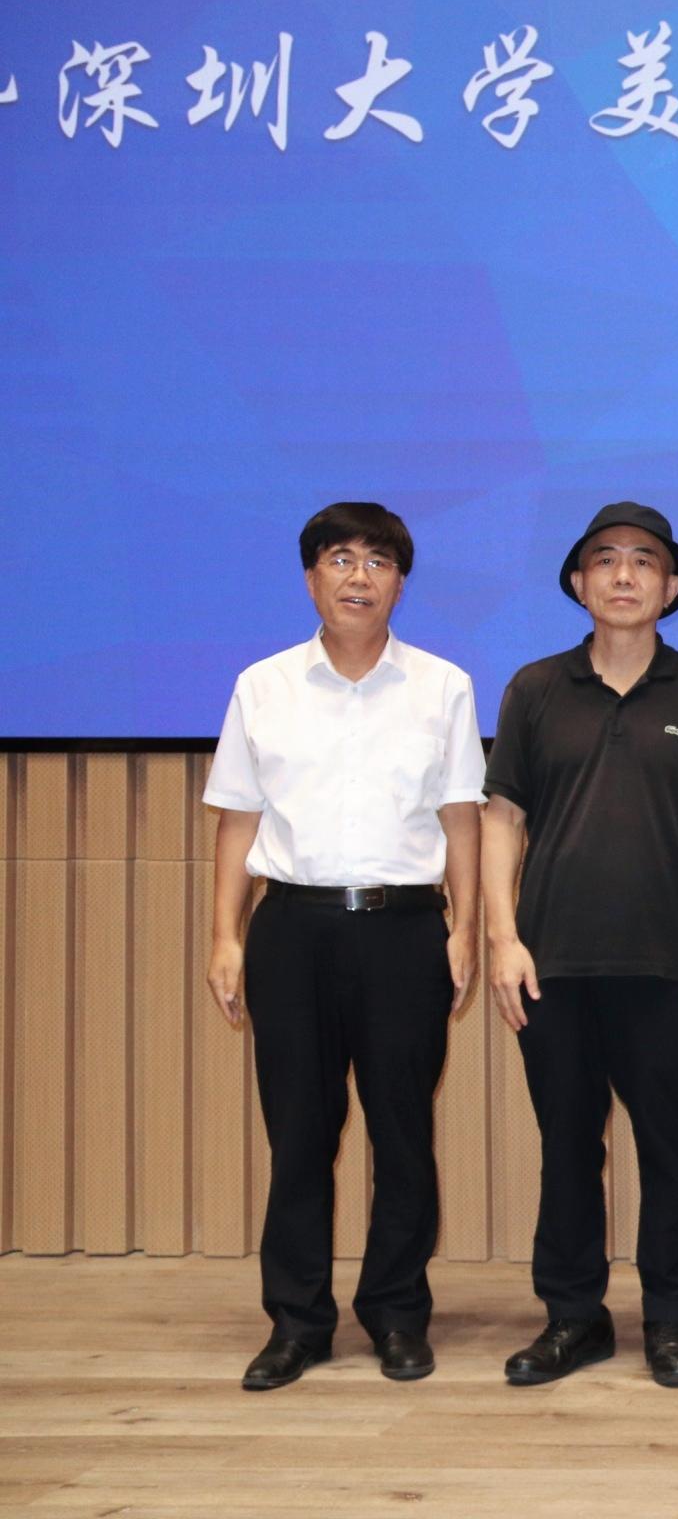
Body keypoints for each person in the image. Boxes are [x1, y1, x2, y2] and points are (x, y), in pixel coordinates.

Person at [202, 502, 483, 1390]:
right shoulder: (262, 686)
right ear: (310, 577)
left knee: (402, 1134)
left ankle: (397, 1313)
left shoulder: (443, 686)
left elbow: (462, 819)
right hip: (291, 929)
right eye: (339, 559)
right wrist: (224, 934)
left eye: (378, 562)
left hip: (405, 931)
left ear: (400, 582)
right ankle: (297, 1322)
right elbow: (237, 819)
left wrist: (466, 927)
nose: (359, 577)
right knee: (298, 1136)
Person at [482, 502, 678, 1388]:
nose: (625, 574)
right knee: (566, 1149)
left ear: (672, 587)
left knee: (671, 1150)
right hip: (552, 965)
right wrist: (502, 937)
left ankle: (673, 1322)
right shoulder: (534, 689)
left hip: (670, 967)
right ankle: (573, 1318)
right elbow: (502, 819)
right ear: (578, 582)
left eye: (645, 560)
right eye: (605, 559)